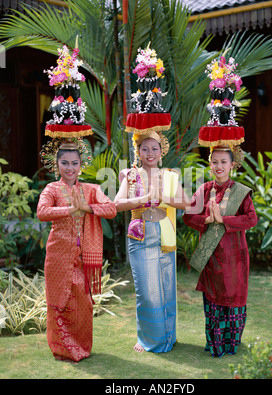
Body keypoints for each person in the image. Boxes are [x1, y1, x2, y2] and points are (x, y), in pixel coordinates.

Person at [37, 139, 117, 362]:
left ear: (81, 164)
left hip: (84, 257)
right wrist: (69, 209)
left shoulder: (91, 190)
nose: (70, 168)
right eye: (65, 163)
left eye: (74, 163)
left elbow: (111, 209)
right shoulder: (51, 189)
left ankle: (81, 347)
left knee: (83, 301)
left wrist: (85, 207)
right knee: (59, 302)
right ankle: (62, 350)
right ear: (57, 164)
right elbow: (42, 212)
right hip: (58, 255)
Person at [114, 131, 190, 353]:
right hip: (140, 235)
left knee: (166, 288)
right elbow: (116, 204)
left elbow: (186, 203)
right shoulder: (130, 175)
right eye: (145, 148)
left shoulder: (169, 175)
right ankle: (146, 338)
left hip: (164, 233)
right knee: (146, 291)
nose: (150, 153)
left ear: (161, 151)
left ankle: (168, 336)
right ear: (138, 152)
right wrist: (143, 199)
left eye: (154, 148)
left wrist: (162, 199)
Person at [183, 145, 257, 357]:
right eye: (215, 161)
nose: (219, 166)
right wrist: (206, 219)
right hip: (212, 256)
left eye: (224, 162)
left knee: (234, 296)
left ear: (232, 164)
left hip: (235, 256)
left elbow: (251, 219)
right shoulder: (205, 190)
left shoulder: (241, 192)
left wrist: (223, 220)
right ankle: (215, 343)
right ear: (210, 163)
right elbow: (188, 215)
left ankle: (231, 343)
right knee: (213, 297)